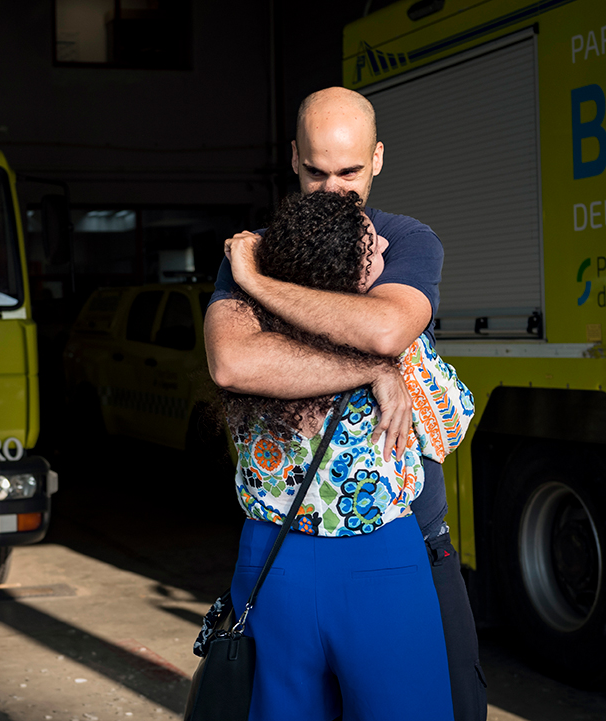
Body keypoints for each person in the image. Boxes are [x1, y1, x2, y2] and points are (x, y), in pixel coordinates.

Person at [205, 87, 487, 720]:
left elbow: (386, 330)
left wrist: (258, 285)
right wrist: (376, 368)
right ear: (294, 160)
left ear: (378, 158)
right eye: (315, 172)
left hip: (399, 538)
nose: (333, 191)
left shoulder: (404, 238)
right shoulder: (255, 254)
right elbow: (232, 361)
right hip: (340, 552)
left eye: (350, 172)